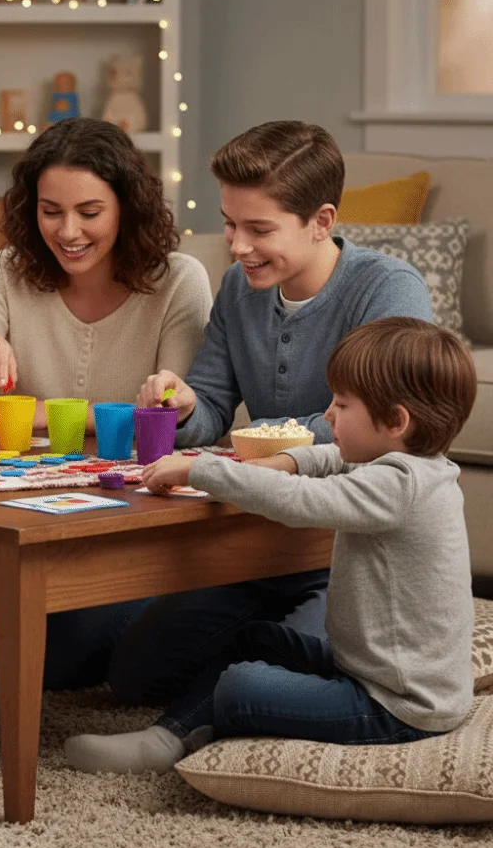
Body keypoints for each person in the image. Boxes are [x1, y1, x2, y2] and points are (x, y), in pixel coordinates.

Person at [106, 121, 435, 708]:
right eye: (231, 224)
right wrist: (183, 403)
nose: (236, 246)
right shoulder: (238, 288)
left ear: (322, 221)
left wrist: (249, 446)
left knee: (272, 674)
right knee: (136, 676)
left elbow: (381, 431)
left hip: (342, 551)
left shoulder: (387, 289)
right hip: (254, 540)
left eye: (259, 229)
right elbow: (208, 404)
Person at [66, 317, 476, 774]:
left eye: (341, 404)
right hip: (368, 669)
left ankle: (183, 732)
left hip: (396, 705)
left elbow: (299, 502)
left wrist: (200, 469)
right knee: (255, 639)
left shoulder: (399, 486)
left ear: (397, 421)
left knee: (242, 685)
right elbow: (329, 457)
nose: (327, 416)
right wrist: (287, 461)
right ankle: (170, 735)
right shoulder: (415, 466)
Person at [0, 117, 213, 688]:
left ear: (127, 207)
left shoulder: (178, 280)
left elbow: (175, 413)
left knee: (61, 656)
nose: (68, 231)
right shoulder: (9, 271)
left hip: (129, 520)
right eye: (50, 211)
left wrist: (47, 411)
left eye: (89, 213)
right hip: (28, 515)